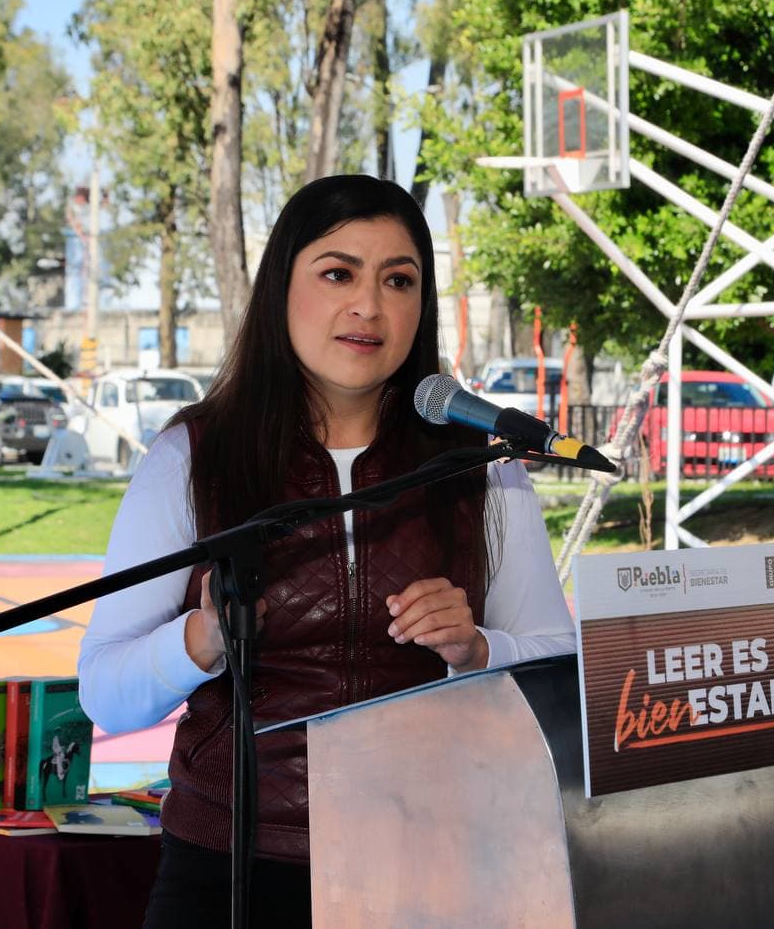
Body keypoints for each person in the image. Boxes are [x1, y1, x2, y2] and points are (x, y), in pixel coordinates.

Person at [77, 174, 576, 927]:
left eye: (398, 280)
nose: (368, 306)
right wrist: (202, 637)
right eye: (338, 272)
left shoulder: (484, 465)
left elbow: (556, 669)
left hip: (436, 864)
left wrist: (477, 649)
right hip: (231, 870)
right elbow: (104, 690)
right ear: (282, 286)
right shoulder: (194, 455)